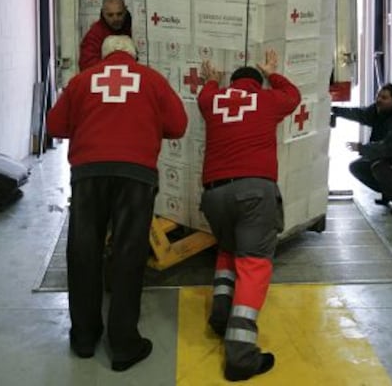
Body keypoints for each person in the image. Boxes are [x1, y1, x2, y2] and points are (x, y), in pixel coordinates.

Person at [46, 35, 188, 371]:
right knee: (128, 254)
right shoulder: (151, 79)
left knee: (83, 252)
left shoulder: (81, 81)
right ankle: (123, 345)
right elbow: (178, 126)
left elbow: (54, 126)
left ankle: (84, 337)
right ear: (133, 55)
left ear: (105, 56)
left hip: (88, 174)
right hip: (135, 175)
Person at [197, 48, 301, 382]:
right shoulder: (268, 101)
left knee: (228, 249)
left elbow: (206, 92)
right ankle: (241, 357)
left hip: (214, 194)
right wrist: (271, 72)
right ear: (257, 84)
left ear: (234, 83)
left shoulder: (213, 101)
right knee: (254, 263)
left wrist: (212, 79)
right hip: (255, 192)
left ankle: (220, 314)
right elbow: (293, 96)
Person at [331, 83, 392, 215]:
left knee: (379, 167)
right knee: (357, 167)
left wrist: (362, 148)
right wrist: (337, 110)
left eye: (384, 97)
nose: (378, 100)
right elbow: (359, 114)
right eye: (378, 96)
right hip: (387, 155)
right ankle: (388, 192)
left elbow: (389, 148)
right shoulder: (379, 110)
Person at [78, 0, 132, 71]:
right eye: (110, 15)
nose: (115, 19)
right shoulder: (94, 35)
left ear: (125, 10)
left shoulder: (135, 29)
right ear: (103, 13)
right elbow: (87, 66)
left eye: (119, 14)